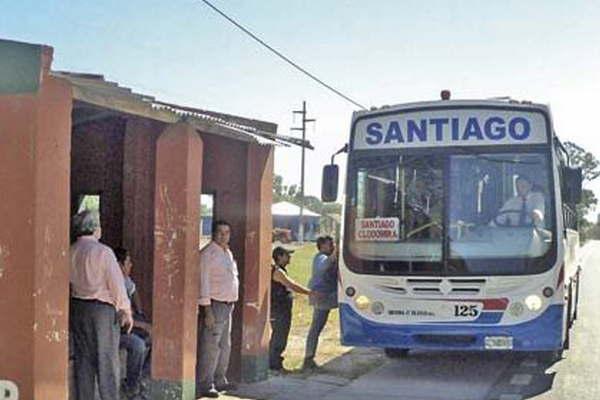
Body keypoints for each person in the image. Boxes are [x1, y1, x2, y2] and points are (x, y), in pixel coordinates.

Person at [70, 210, 133, 400]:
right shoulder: (103, 252)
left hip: (78, 307)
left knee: (84, 361)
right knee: (106, 360)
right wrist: (125, 311)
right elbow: (117, 284)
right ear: (95, 228)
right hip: (101, 311)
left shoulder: (71, 250)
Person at [196, 220, 239, 398]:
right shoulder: (208, 254)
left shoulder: (227, 252)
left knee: (224, 345)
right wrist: (207, 311)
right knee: (210, 346)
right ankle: (206, 384)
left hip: (228, 304)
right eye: (220, 232)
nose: (224, 235)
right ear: (213, 233)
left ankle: (220, 379)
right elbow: (203, 282)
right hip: (215, 304)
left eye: (227, 232)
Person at [113, 247, 152, 398]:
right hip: (115, 331)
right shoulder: (113, 283)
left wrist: (140, 314)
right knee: (138, 345)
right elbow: (120, 318)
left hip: (127, 326)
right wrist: (143, 325)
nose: (131, 265)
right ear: (119, 265)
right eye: (128, 262)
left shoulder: (125, 280)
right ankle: (131, 387)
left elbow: (133, 291)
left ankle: (140, 379)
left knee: (153, 337)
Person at [269, 246, 312, 373]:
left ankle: (275, 362)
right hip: (279, 309)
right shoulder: (278, 272)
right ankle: (273, 363)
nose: (290, 257)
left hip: (283, 308)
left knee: (281, 335)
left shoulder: (281, 270)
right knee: (279, 336)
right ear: (279, 256)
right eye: (287, 255)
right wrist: (309, 293)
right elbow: (291, 285)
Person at [303, 236, 338, 370]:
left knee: (317, 327)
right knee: (316, 327)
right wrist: (335, 254)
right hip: (322, 296)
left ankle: (309, 357)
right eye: (330, 244)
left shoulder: (328, 257)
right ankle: (308, 358)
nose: (333, 246)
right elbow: (324, 267)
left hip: (328, 295)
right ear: (323, 246)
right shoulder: (320, 257)